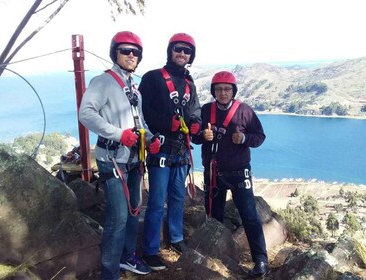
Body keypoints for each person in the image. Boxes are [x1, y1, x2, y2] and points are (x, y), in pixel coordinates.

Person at [79, 31, 160, 280]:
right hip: (112, 160)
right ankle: (109, 273)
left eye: (135, 52)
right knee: (117, 219)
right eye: (126, 50)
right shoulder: (103, 82)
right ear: (115, 52)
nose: (131, 55)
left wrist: (151, 139)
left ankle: (127, 258)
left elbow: (139, 122)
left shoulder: (133, 88)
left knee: (134, 211)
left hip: (134, 159)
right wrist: (118, 134)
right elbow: (86, 113)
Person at [192, 71, 269, 277]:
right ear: (213, 91)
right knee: (214, 217)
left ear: (233, 91)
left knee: (249, 217)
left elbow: (260, 136)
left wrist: (244, 138)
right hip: (214, 173)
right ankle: (214, 255)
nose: (223, 93)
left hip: (238, 173)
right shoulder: (206, 110)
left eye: (227, 89)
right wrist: (202, 135)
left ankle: (261, 260)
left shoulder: (244, 111)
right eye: (219, 89)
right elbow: (195, 136)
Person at [138, 32, 201, 270]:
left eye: (186, 51)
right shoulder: (153, 78)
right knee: (156, 200)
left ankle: (176, 239)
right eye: (178, 49)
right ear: (170, 50)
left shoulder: (189, 84)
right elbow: (143, 112)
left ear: (190, 56)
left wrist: (194, 123)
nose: (182, 54)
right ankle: (150, 250)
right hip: (161, 149)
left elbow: (195, 111)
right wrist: (168, 123)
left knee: (177, 197)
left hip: (181, 151)